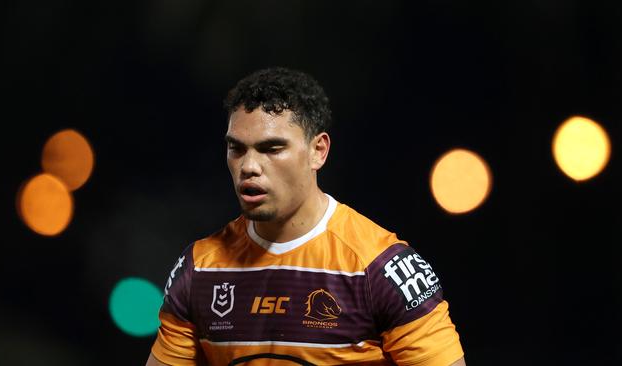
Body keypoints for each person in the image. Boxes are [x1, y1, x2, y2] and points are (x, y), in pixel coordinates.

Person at [146, 67, 466, 366]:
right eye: (237, 149)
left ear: (318, 151)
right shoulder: (200, 267)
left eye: (272, 148)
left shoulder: (381, 267)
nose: (249, 167)